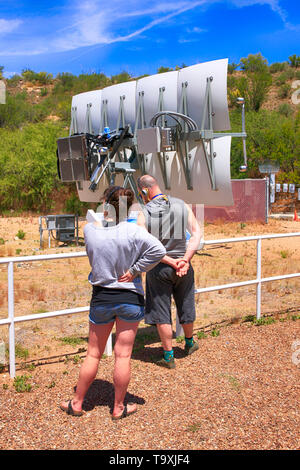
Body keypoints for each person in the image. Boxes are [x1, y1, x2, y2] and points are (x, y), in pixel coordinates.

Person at [60, 185, 166, 418]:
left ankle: (77, 403)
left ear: (106, 206)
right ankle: (118, 407)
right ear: (129, 209)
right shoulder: (135, 232)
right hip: (130, 297)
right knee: (123, 354)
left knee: (93, 353)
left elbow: (96, 225)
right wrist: (136, 269)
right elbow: (158, 250)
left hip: (102, 297)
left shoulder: (90, 231)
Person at [137, 175, 202, 369]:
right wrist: (185, 260)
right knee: (186, 303)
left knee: (161, 311)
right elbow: (197, 233)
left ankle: (168, 356)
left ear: (144, 191)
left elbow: (144, 244)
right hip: (184, 267)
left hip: (159, 268)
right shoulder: (181, 204)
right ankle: (189, 343)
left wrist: (170, 261)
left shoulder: (144, 212)